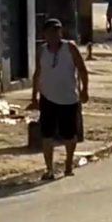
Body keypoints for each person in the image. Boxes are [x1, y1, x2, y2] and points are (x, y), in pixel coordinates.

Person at [30, 18, 89, 180]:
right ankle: (49, 169)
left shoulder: (70, 48)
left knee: (69, 135)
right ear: (45, 34)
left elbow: (82, 69)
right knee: (46, 135)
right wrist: (34, 96)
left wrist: (84, 90)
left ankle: (68, 164)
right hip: (47, 97)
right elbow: (38, 73)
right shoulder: (42, 50)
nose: (54, 35)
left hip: (69, 98)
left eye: (57, 32)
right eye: (50, 32)